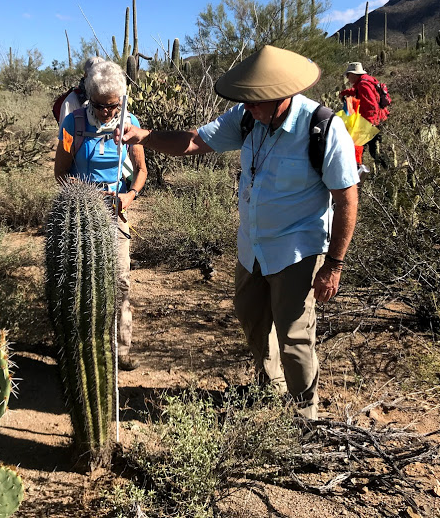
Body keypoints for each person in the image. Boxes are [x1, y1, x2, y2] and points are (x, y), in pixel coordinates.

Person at [118, 46, 359, 418]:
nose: (248, 109)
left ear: (282, 97)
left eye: (256, 103)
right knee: (253, 320)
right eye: (245, 102)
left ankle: (304, 418)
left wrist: (334, 265)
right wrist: (144, 136)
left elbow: (346, 199)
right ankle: (270, 389)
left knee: (294, 337)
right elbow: (195, 141)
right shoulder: (248, 116)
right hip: (253, 247)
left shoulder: (323, 128)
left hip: (297, 249)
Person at [54, 60, 148, 371]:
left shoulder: (129, 122)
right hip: (80, 214)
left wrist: (129, 196)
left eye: (113, 106)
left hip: (116, 212)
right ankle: (83, 349)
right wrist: (84, 198)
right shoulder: (73, 125)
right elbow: (61, 172)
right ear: (89, 98)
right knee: (80, 282)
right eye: (100, 106)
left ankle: (121, 349)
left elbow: (141, 171)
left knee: (120, 280)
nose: (107, 113)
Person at [339, 62, 388, 170]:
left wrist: (366, 125)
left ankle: (385, 169)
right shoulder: (365, 81)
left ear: (354, 74)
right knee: (373, 148)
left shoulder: (362, 85)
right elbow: (357, 91)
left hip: (372, 122)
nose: (347, 77)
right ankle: (386, 169)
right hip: (378, 119)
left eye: (348, 75)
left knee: (368, 148)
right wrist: (345, 92)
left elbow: (371, 106)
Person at [57, 56, 105, 123]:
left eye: (104, 75)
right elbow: (65, 131)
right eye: (94, 75)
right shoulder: (71, 101)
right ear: (85, 75)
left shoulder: (113, 100)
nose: (99, 79)